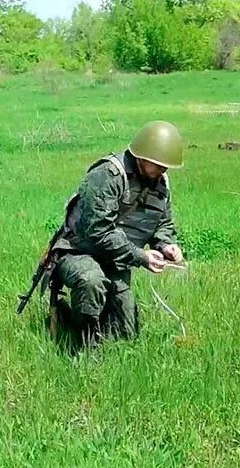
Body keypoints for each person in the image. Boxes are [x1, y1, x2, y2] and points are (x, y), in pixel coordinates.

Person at [40, 120, 184, 348]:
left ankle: (86, 318)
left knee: (125, 334)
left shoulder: (160, 183)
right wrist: (141, 257)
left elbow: (163, 224)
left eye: (165, 167)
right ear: (142, 156)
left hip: (117, 260)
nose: (162, 171)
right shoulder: (107, 175)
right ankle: (82, 343)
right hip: (78, 252)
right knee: (92, 282)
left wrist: (166, 245)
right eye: (158, 165)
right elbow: (99, 232)